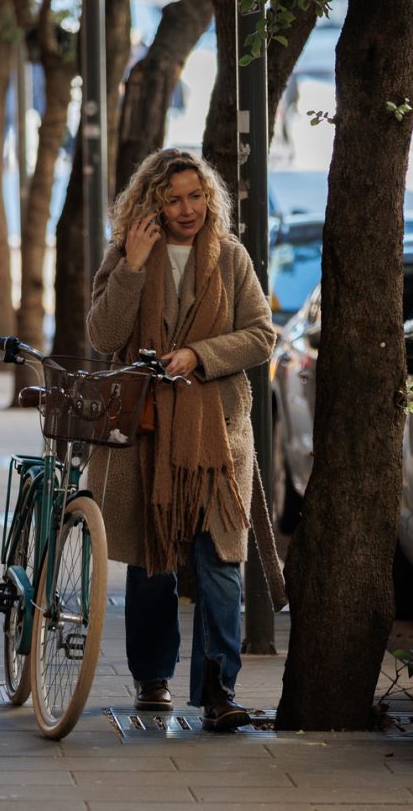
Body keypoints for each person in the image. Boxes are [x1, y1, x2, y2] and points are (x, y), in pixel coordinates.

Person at [86, 148, 283, 732]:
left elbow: (261, 336)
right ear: (153, 204)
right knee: (152, 564)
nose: (187, 208)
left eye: (196, 196)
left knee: (221, 562)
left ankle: (219, 691)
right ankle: (153, 679)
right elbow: (103, 336)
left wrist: (200, 354)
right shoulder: (126, 256)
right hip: (147, 434)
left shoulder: (230, 258)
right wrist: (132, 266)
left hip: (217, 436)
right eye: (173, 199)